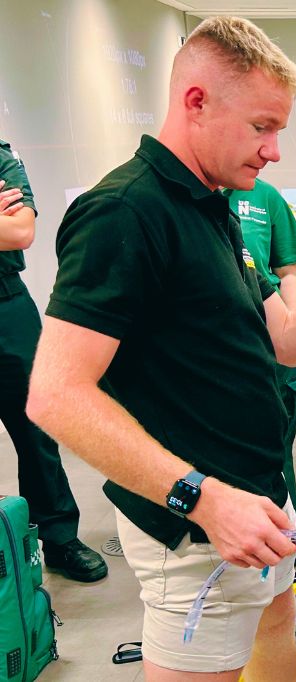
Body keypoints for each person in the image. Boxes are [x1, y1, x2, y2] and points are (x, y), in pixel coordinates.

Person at [26, 16, 296, 682]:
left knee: (275, 623)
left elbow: (284, 338)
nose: (274, 150)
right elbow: (56, 394)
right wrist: (204, 500)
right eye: (262, 127)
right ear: (196, 104)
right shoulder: (125, 212)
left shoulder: (211, 202)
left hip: (255, 498)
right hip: (197, 527)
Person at [0, 139, 107, 583]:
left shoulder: (2, 158)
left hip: (5, 304)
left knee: (37, 424)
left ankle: (59, 537)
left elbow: (20, 231)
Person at [224, 177, 296, 529]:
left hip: (267, 334)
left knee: (274, 449)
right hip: (217, 346)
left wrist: (292, 330)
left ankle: (289, 539)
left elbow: (288, 272)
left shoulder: (265, 196)